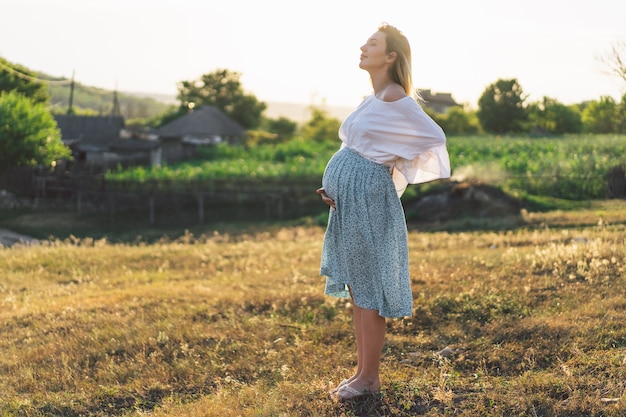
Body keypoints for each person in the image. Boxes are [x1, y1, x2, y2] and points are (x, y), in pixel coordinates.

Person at [316, 23, 450, 401]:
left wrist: (388, 172)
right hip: (350, 201)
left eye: (372, 43)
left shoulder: (396, 97)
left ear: (391, 56)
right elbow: (359, 147)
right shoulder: (372, 98)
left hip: (369, 200)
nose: (363, 46)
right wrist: (338, 184)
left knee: (369, 288)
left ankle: (370, 378)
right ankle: (362, 374)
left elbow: (433, 139)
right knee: (359, 286)